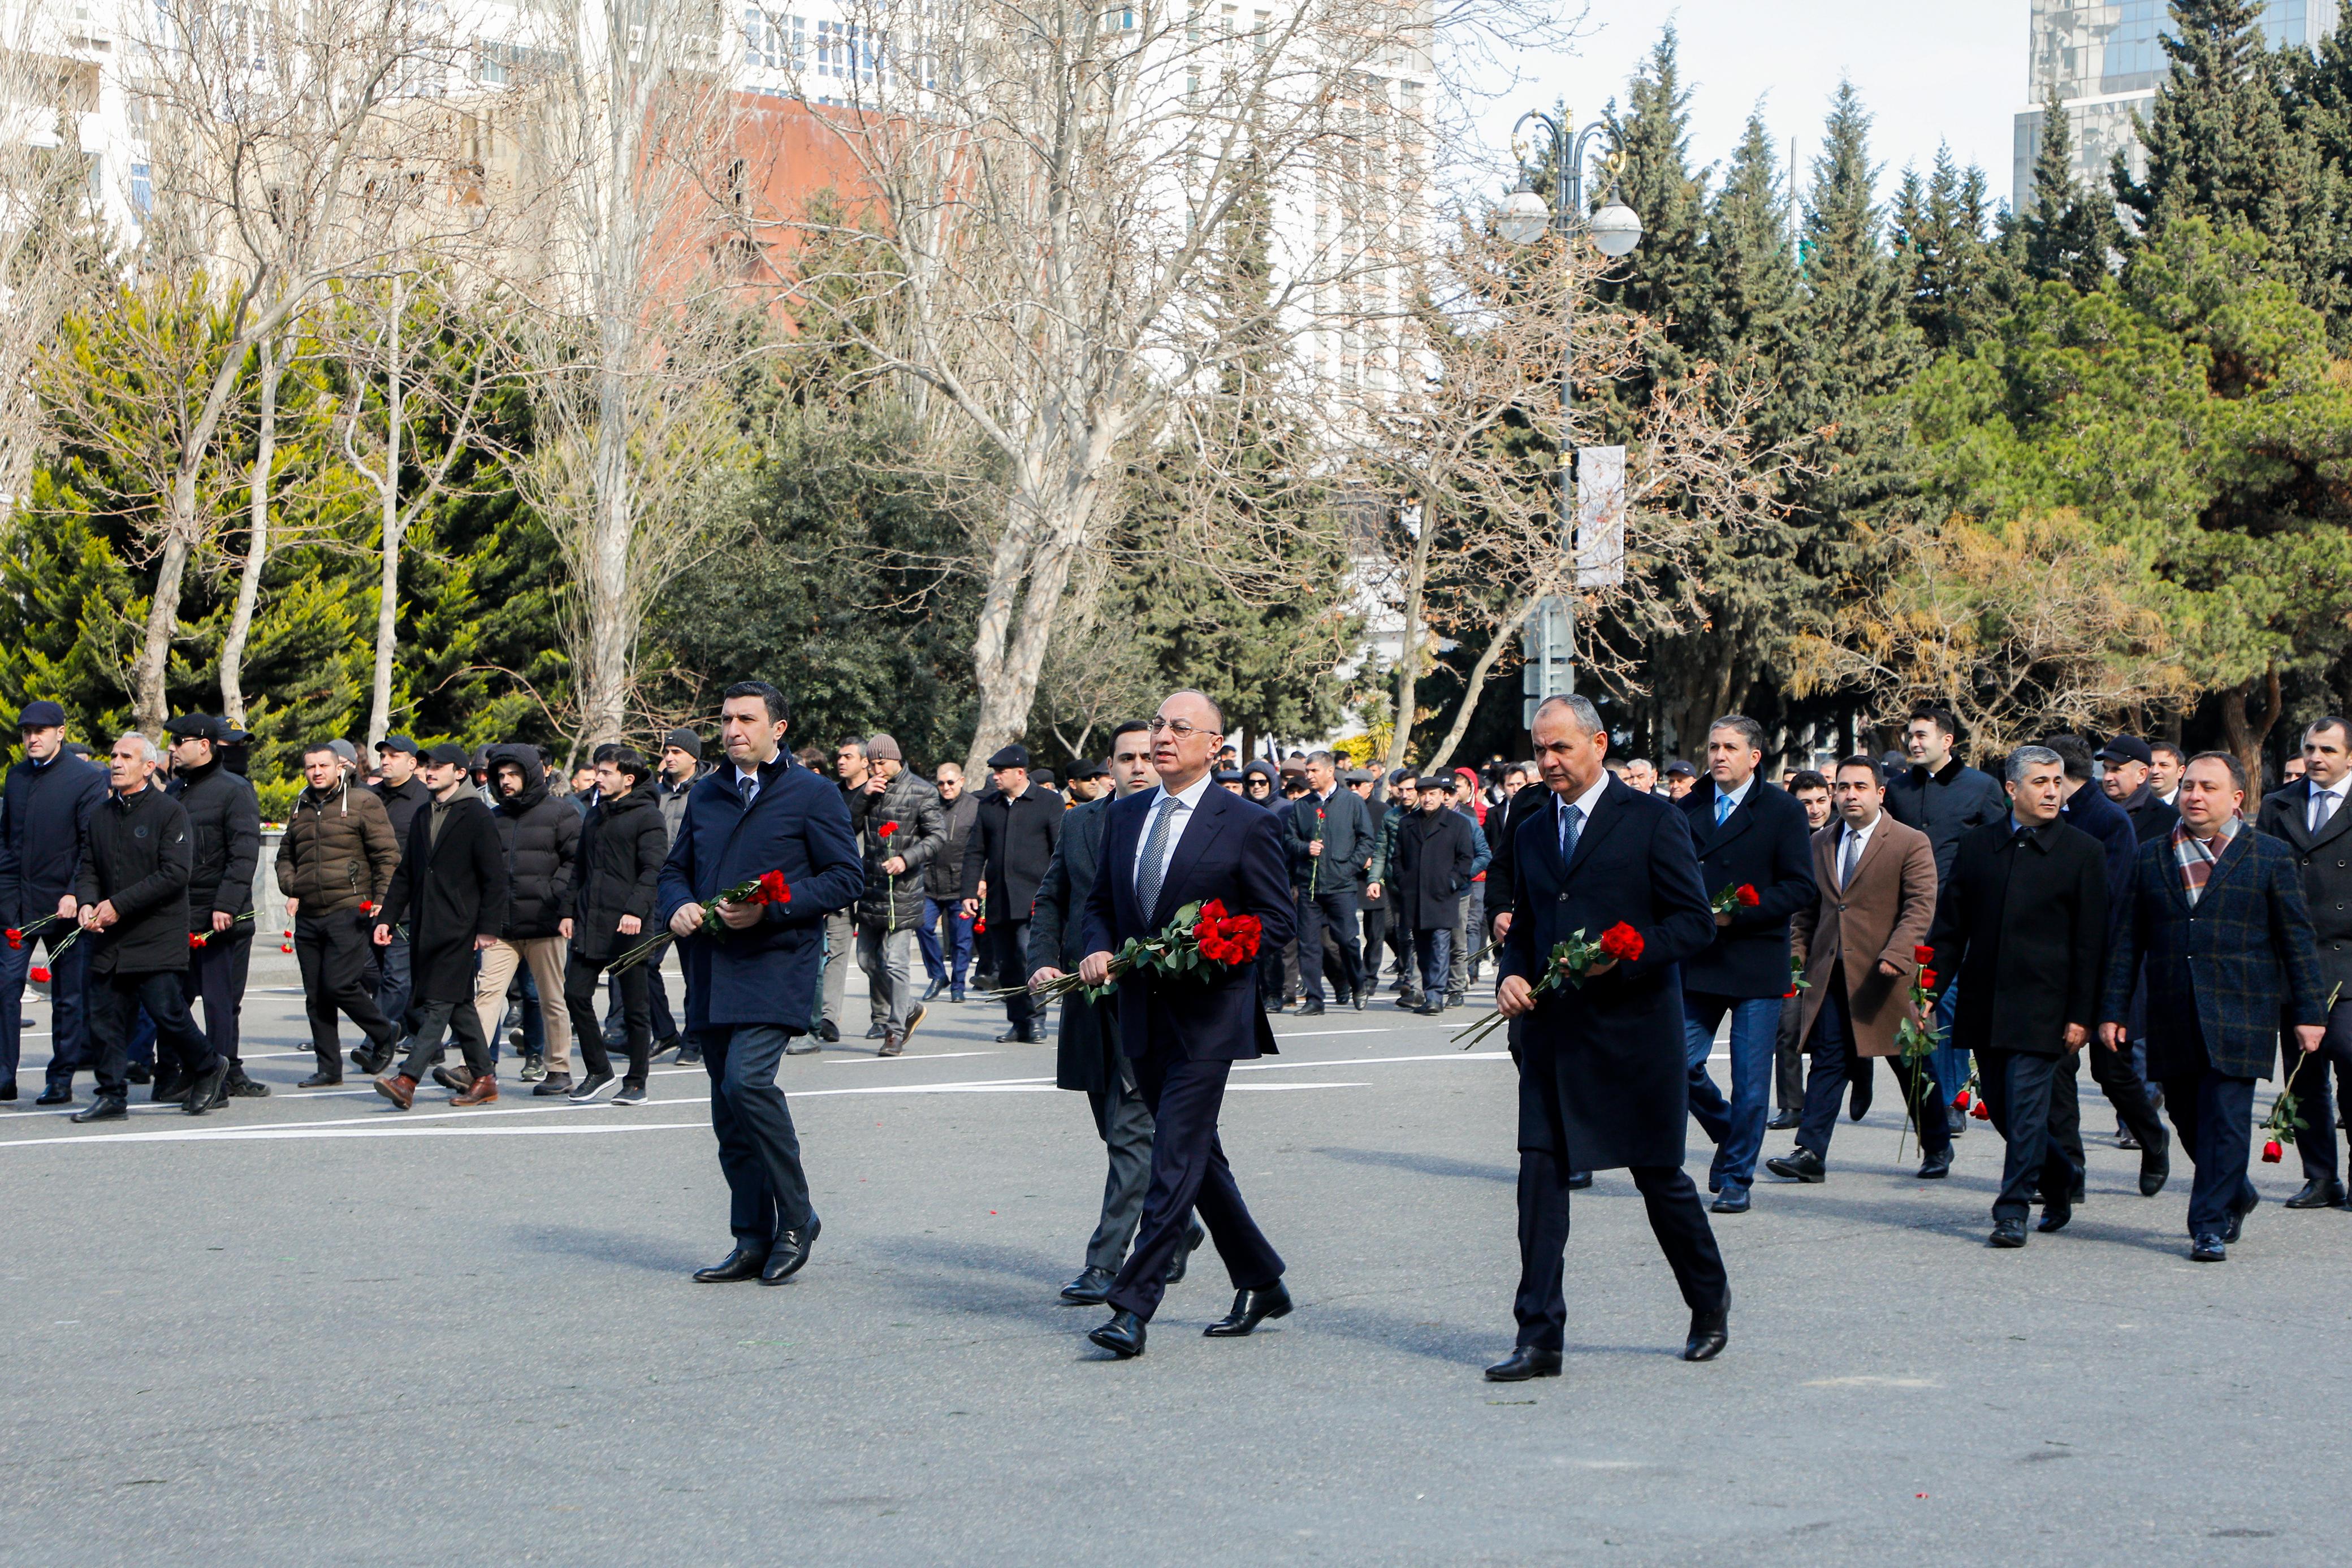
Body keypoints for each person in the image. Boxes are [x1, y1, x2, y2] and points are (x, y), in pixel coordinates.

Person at [1485, 695, 1728, 1380]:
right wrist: (1509, 975)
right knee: (1538, 1181)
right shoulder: (1532, 826)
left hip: (1632, 1034)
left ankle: (1707, 1302)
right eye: (1538, 749)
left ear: (1596, 744)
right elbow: (1526, 926)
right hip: (1553, 1035)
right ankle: (1538, 1336)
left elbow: (1693, 924)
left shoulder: (1653, 819)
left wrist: (1625, 953)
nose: (1547, 761)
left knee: (1659, 1179)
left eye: (1559, 747)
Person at [1074, 691, 1295, 1361]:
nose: (1162, 737)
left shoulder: (1245, 821)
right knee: (1200, 1160)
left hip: (1209, 1016)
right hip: (1140, 1011)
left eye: (1178, 728)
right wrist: (1095, 947)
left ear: (1213, 746)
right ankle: (1261, 1279)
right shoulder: (1128, 813)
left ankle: (1132, 1304)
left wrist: (1202, 948)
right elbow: (1101, 904)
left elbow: (1276, 922)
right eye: (1156, 725)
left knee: (1171, 1153)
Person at [660, 681, 864, 1287]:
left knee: (747, 1083)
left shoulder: (812, 793)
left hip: (776, 967)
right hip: (711, 971)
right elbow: (676, 870)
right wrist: (675, 906)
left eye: (745, 719)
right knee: (728, 1112)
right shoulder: (706, 794)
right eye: (725, 720)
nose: (731, 730)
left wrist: (771, 910)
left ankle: (797, 1218)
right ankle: (751, 1238)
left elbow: (844, 878)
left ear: (777, 728)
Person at [2103, 752, 2326, 1261]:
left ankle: (2206, 1224)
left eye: (2208, 788)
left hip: (2241, 1010)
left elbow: (2297, 940)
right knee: (2186, 1116)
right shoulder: (2152, 856)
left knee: (2226, 1119)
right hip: (2171, 1009)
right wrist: (2114, 1010)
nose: (2195, 796)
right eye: (2189, 787)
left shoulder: (2268, 856)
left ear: (2236, 798)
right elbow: (2126, 942)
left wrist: (2311, 1013)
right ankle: (2237, 1192)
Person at [1031, 721, 1207, 1304]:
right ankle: (1180, 1226)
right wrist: (1041, 961)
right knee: (1115, 1131)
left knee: (1132, 1134)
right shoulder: (1081, 821)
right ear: (1107, 766)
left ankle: (1106, 1264)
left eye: (1144, 756)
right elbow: (1054, 897)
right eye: (1124, 757)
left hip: (1152, 1001)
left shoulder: (1180, 825)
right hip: (1086, 998)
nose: (1136, 765)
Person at [1923, 746, 2108, 1248]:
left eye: (2058, 782)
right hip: (1986, 1001)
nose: (2053, 791)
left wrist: (2081, 1014)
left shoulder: (2083, 852)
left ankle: (2012, 1210)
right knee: (2004, 1112)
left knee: (2027, 1107)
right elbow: (1949, 929)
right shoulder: (1979, 845)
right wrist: (1929, 991)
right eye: (2041, 782)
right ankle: (2061, 1175)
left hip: (2047, 1007)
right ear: (2011, 790)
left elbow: (2093, 946)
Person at [1765, 757, 1943, 1184]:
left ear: (1880, 793)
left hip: (1889, 976)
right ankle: (1810, 1152)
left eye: (1859, 787)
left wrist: (1897, 954)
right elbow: (1806, 913)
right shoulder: (1820, 843)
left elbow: (1920, 907)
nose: (1849, 795)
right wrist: (1796, 960)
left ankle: (1936, 1145)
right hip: (1831, 975)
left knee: (1910, 1064)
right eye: (1842, 788)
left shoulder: (1909, 841)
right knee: (1828, 1060)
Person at [1675, 716, 1817, 1215]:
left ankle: (1737, 1176)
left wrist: (1738, 911)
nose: (1718, 756)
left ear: (1754, 757)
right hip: (1700, 960)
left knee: (1752, 1082)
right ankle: (1730, 1135)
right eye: (1712, 746)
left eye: (1729, 748)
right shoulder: (1689, 805)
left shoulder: (1781, 810)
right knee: (1679, 1063)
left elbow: (1802, 887)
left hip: (1756, 960)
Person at [68, 734, 225, 1122]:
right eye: (113, 756)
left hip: (156, 934)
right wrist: (87, 901)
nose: (116, 763)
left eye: (126, 756)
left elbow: (175, 873)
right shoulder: (101, 815)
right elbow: (88, 867)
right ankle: (111, 1094)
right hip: (110, 937)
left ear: (148, 766)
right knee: (104, 1017)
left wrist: (119, 905)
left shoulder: (168, 812)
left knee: (167, 1012)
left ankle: (209, 1065)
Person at [2047, 733, 2171, 1183]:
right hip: (2055, 968)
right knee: (2059, 1067)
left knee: (2111, 1068)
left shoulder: (2108, 821)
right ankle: (2069, 1168)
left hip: (2104, 966)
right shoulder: (2046, 815)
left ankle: (2152, 1138)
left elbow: (2115, 906)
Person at [1884, 705, 2009, 1137]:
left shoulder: (1981, 787)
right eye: (1910, 736)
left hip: (1963, 920)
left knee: (1948, 1005)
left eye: (1922, 735)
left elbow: (2002, 848)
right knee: (1919, 1012)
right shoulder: (1897, 790)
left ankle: (1953, 1100)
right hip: (1908, 918)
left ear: (1947, 741)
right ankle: (1933, 1099)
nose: (1914, 743)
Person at [370, 744, 509, 1110]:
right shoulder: (422, 814)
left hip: (461, 927)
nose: (430, 771)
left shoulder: (477, 815)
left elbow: (495, 877)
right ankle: (485, 1079)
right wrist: (387, 918)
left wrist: (486, 927)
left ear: (460, 772)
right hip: (425, 925)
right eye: (427, 766)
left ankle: (407, 1079)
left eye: (438, 766)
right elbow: (405, 874)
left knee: (438, 1004)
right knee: (459, 1004)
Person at [2251, 717, 2352, 1211]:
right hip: (2294, 959)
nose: (2317, 758)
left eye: (2329, 750)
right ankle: (2321, 1178)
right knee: (2304, 1076)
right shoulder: (2278, 805)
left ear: (2350, 757)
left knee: (2350, 1063)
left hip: (2349, 959)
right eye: (2310, 748)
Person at [276, 741, 403, 1086]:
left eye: (323, 766)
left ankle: (384, 1029)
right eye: (310, 767)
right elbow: (285, 854)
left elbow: (387, 856)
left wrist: (382, 900)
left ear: (339, 768)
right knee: (316, 995)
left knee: (339, 984)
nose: (316, 772)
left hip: (349, 909)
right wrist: (292, 884)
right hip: (310, 914)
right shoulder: (300, 806)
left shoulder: (363, 802)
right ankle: (329, 1068)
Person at [1, 701, 107, 1104]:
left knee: (68, 997)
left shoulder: (85, 779)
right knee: (5, 988)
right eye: (27, 731)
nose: (32, 738)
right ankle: (4, 1074)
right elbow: (8, 840)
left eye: (40, 731)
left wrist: (76, 893)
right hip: (16, 906)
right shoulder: (16, 776)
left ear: (60, 733)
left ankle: (61, 1077)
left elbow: (89, 845)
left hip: (64, 906)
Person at [546, 747, 666, 1100]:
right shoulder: (595, 815)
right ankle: (599, 1070)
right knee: (575, 994)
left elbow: (653, 870)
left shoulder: (648, 816)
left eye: (607, 772)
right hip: (589, 921)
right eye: (598, 771)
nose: (598, 777)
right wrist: (568, 912)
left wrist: (635, 910)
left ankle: (636, 1082)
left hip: (629, 925)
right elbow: (579, 869)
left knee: (634, 1006)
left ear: (628, 779)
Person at [165, 714, 265, 1098]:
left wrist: (225, 904)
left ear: (204, 745)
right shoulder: (174, 792)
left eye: (179, 742)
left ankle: (220, 1077)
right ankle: (190, 1069)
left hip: (220, 918)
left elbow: (243, 854)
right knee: (173, 999)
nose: (172, 749)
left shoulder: (235, 790)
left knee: (220, 1003)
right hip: (178, 915)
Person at [473, 744, 581, 1092]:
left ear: (531, 774)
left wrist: (556, 897)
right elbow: (481, 871)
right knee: (486, 996)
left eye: (513, 774)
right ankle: (474, 1067)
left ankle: (559, 1070)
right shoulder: (493, 819)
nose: (505, 781)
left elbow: (577, 862)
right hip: (500, 928)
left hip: (545, 923)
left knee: (551, 1000)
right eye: (500, 775)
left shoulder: (562, 813)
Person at [848, 734, 944, 1056]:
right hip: (872, 887)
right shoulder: (870, 789)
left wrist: (907, 859)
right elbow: (846, 828)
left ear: (896, 759)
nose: (877, 769)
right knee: (865, 960)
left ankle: (895, 1031)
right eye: (872, 763)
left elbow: (937, 836)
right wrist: (863, 797)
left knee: (895, 962)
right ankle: (910, 1006)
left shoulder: (922, 790)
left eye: (881, 763)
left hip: (904, 890)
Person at [961, 744, 1062, 1045]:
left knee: (1026, 959)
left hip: (1034, 898)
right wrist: (969, 890)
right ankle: (1018, 1022)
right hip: (999, 901)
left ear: (1021, 773)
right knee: (1005, 965)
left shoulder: (1048, 802)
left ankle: (1035, 1020)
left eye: (1001, 772)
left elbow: (1059, 849)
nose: (996, 777)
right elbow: (975, 851)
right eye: (994, 772)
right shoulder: (989, 806)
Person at [1282, 750, 1374, 1015]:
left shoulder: (1352, 802)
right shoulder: (1302, 806)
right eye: (1307, 772)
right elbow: (1289, 841)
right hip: (1310, 888)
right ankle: (1315, 999)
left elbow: (1367, 839)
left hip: (1341, 885)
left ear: (1330, 771)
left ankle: (1358, 984)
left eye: (1313, 771)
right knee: (1309, 945)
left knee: (1347, 940)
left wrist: (1350, 866)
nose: (1309, 776)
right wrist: (1304, 847)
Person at [1770, 770, 1835, 1129]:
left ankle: (1861, 1079)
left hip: (1835, 946)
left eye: (1821, 801)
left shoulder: (1842, 837)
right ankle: (1792, 1104)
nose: (1814, 810)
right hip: (1794, 946)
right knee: (1789, 1026)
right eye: (1805, 802)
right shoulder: (1783, 835)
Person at [1390, 774, 1475, 1016]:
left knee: (1440, 944)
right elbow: (1397, 858)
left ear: (1443, 796)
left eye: (1433, 794)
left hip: (1443, 895)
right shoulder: (1408, 823)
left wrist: (1452, 881)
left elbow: (1466, 858)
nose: (1428, 799)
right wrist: (1403, 881)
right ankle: (1430, 993)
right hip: (1414, 895)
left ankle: (1436, 996)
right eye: (1424, 794)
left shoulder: (1458, 823)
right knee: (1422, 947)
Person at [368, 735, 430, 1039]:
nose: (386, 760)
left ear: (412, 763)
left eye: (395, 755)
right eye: (384, 755)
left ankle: (374, 1041)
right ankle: (426, 1039)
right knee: (377, 974)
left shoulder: (426, 799)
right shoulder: (369, 797)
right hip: (370, 900)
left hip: (409, 904)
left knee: (397, 977)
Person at [649, 729, 702, 1061]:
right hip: (657, 893)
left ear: (694, 757)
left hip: (693, 895)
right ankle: (665, 1032)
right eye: (666, 752)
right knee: (642, 964)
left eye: (676, 752)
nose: (669, 758)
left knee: (694, 972)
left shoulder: (707, 791)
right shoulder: (653, 793)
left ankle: (694, 1040)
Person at [817, 739, 872, 1043]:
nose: (841, 762)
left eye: (848, 757)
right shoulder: (831, 793)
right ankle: (826, 1016)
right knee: (832, 954)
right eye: (838, 757)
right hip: (834, 884)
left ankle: (893, 1011)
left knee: (871, 960)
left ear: (865, 761)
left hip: (872, 887)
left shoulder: (879, 793)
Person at [920, 760, 979, 1003]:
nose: (946, 787)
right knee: (922, 925)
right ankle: (937, 975)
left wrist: (981, 880)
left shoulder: (976, 807)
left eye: (951, 782)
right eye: (941, 783)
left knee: (961, 939)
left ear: (962, 782)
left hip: (962, 885)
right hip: (930, 882)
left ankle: (958, 985)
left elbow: (982, 849)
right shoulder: (930, 805)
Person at [2149, 741, 2185, 808]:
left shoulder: (2189, 805)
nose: (2155, 771)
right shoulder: (2131, 803)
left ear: (2180, 771)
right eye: (2151, 765)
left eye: (2164, 765)